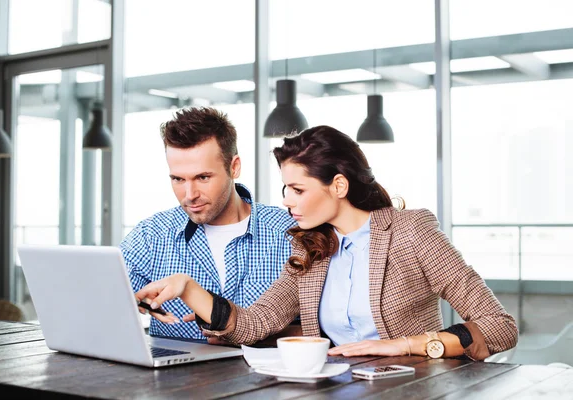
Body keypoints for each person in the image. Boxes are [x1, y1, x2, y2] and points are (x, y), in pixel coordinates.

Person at [135, 125, 518, 360]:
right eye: (286, 188)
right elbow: (256, 323)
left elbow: (500, 326)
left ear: (338, 185)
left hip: (411, 388)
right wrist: (189, 289)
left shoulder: (410, 231)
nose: (285, 200)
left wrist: (408, 345)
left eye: (298, 189)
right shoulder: (310, 249)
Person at [120, 107, 296, 339]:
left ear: (234, 167)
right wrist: (132, 303)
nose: (189, 194)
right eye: (178, 179)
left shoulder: (289, 233)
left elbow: (318, 329)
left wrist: (240, 332)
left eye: (203, 178)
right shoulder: (150, 236)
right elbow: (104, 301)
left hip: (266, 374)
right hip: (176, 375)